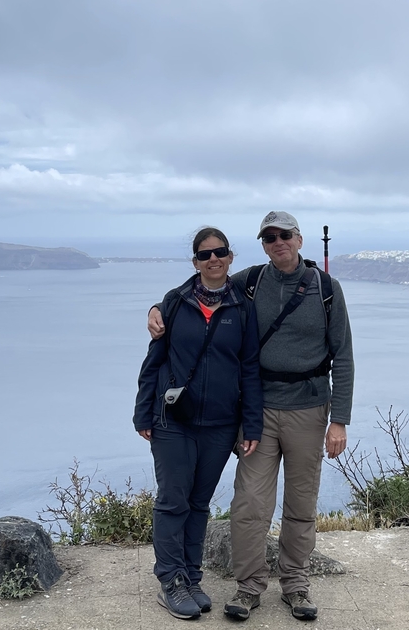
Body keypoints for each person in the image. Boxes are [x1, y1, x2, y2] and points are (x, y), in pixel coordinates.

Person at [148, 211, 354, 622]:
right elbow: (203, 289)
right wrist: (157, 307)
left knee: (301, 503)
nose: (277, 242)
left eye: (284, 235)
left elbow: (343, 356)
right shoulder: (251, 280)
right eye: (269, 237)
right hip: (256, 410)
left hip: (310, 408)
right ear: (262, 244)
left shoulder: (326, 289)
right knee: (250, 504)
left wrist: (339, 420)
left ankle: (295, 584)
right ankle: (249, 586)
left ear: (299, 239)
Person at [134, 227, 263, 621]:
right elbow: (154, 360)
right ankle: (170, 580)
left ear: (230, 257)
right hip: (173, 419)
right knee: (173, 500)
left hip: (221, 424)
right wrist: (142, 412)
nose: (213, 260)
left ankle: (191, 577)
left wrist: (252, 425)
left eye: (220, 252)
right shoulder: (175, 302)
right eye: (205, 255)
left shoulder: (242, 307)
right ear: (195, 262)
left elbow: (250, 370)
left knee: (199, 504)